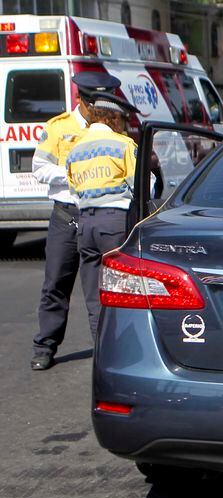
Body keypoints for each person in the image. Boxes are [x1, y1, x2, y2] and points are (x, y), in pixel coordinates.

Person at [29, 71, 122, 370]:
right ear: (79, 98)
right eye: (92, 101)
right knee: (56, 282)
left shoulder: (113, 126)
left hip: (100, 215)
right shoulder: (59, 128)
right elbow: (39, 167)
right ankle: (45, 345)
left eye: (103, 101)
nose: (97, 108)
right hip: (67, 215)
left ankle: (106, 347)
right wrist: (73, 176)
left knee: (101, 288)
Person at [66, 91, 140, 342]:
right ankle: (123, 345)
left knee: (92, 294)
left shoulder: (75, 148)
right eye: (123, 120)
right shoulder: (124, 145)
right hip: (114, 222)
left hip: (85, 224)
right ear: (114, 119)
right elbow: (142, 186)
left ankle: (100, 345)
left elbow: (73, 188)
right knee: (121, 288)